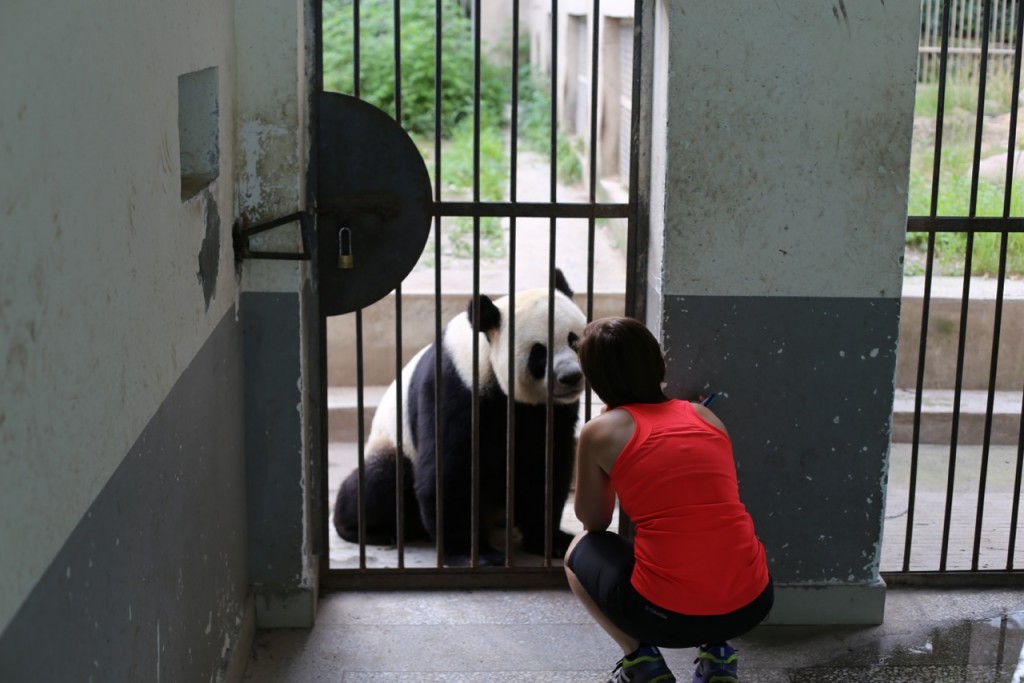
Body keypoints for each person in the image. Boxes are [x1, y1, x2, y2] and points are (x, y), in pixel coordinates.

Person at [564, 317, 773, 683]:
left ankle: (641, 662)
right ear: (658, 364)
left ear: (595, 379)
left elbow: (594, 522)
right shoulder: (705, 415)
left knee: (578, 550)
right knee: (710, 536)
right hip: (753, 602)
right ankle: (719, 656)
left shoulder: (599, 432)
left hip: (664, 615)